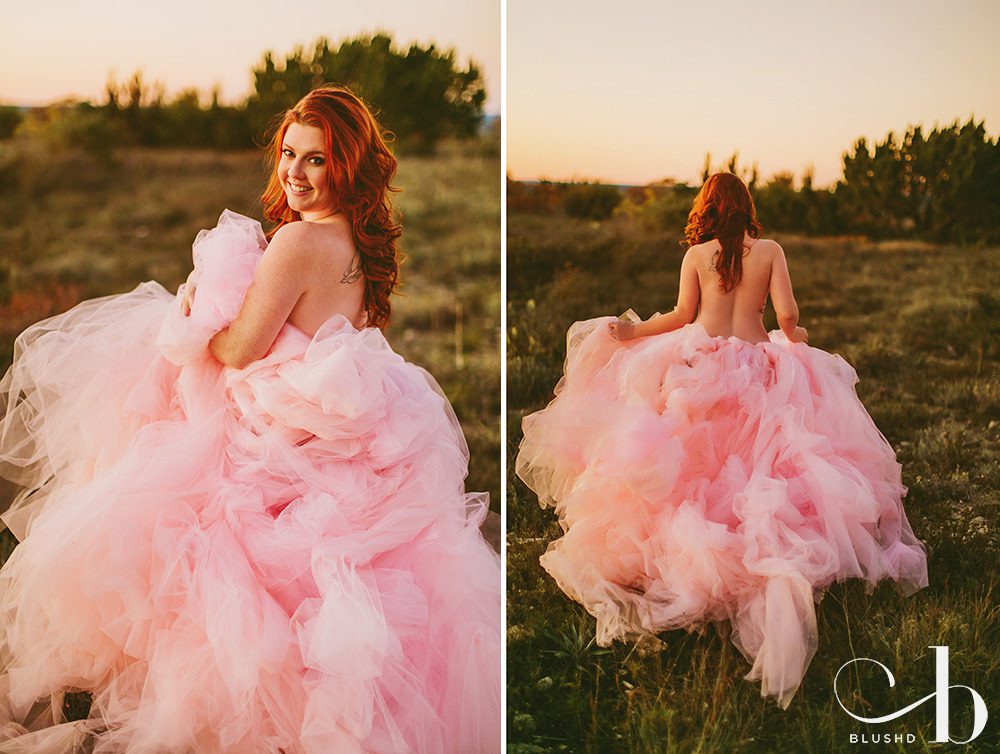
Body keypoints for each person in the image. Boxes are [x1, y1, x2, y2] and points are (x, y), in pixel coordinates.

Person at [0, 86, 500, 752]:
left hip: (274, 428)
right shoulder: (356, 241)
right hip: (322, 425)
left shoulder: (298, 242)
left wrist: (191, 315)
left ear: (347, 165)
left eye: (317, 159)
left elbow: (240, 348)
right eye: (289, 154)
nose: (296, 172)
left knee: (177, 522)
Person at [515, 172, 928, 709]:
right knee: (763, 457)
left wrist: (632, 333)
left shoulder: (696, 255)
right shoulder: (771, 250)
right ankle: (756, 546)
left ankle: (699, 556)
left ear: (707, 209)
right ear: (747, 207)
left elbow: (681, 316)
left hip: (704, 364)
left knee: (697, 460)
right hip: (758, 362)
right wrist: (796, 338)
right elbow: (788, 315)